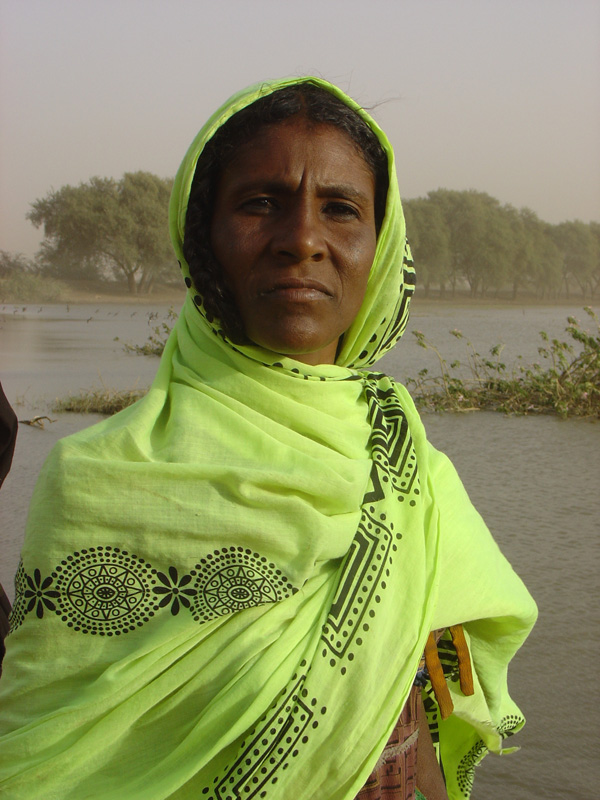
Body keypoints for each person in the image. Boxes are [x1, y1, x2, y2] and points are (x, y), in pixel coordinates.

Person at [0, 77, 536, 800]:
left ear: (381, 248)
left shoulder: (402, 451)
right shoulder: (98, 478)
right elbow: (51, 756)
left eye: (341, 210)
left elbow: (418, 712)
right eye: (260, 204)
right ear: (202, 238)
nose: (303, 242)